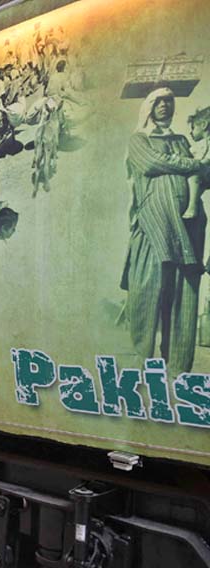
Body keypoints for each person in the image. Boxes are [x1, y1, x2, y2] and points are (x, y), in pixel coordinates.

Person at [120, 87, 210, 374]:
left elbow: (205, 174)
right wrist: (191, 165)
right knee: (147, 288)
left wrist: (196, 170)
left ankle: (178, 368)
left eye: (169, 102)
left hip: (188, 225)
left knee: (184, 293)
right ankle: (140, 362)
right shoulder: (139, 140)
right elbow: (150, 164)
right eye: (159, 101)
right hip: (153, 222)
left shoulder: (183, 140)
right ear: (149, 107)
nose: (164, 106)